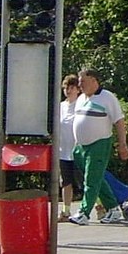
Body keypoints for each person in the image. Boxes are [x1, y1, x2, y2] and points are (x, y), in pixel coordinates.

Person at [68, 68, 128, 225]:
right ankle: (113, 208)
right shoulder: (81, 98)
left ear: (94, 80)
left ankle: (84, 213)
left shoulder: (107, 98)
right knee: (97, 178)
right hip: (81, 146)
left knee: (91, 179)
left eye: (83, 81)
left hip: (99, 143)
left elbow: (119, 121)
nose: (80, 84)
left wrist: (122, 144)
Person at [57, 73, 83, 222]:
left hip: (78, 151)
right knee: (66, 182)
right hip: (63, 151)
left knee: (86, 182)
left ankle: (101, 207)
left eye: (72, 87)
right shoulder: (60, 106)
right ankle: (66, 211)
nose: (68, 90)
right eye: (66, 87)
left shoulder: (81, 104)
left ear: (78, 89)